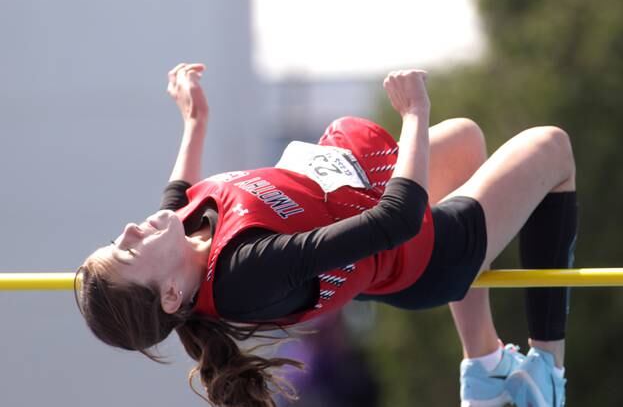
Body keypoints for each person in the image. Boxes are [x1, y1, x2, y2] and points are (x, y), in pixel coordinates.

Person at [75, 63, 577, 407]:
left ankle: (485, 365)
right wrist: (414, 115)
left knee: (464, 138)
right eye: (127, 251)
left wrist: (195, 120)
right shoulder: (243, 273)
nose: (129, 230)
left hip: (371, 199)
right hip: (423, 252)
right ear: (168, 294)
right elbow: (396, 221)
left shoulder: (181, 233)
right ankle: (547, 376)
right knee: (552, 148)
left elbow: (177, 190)